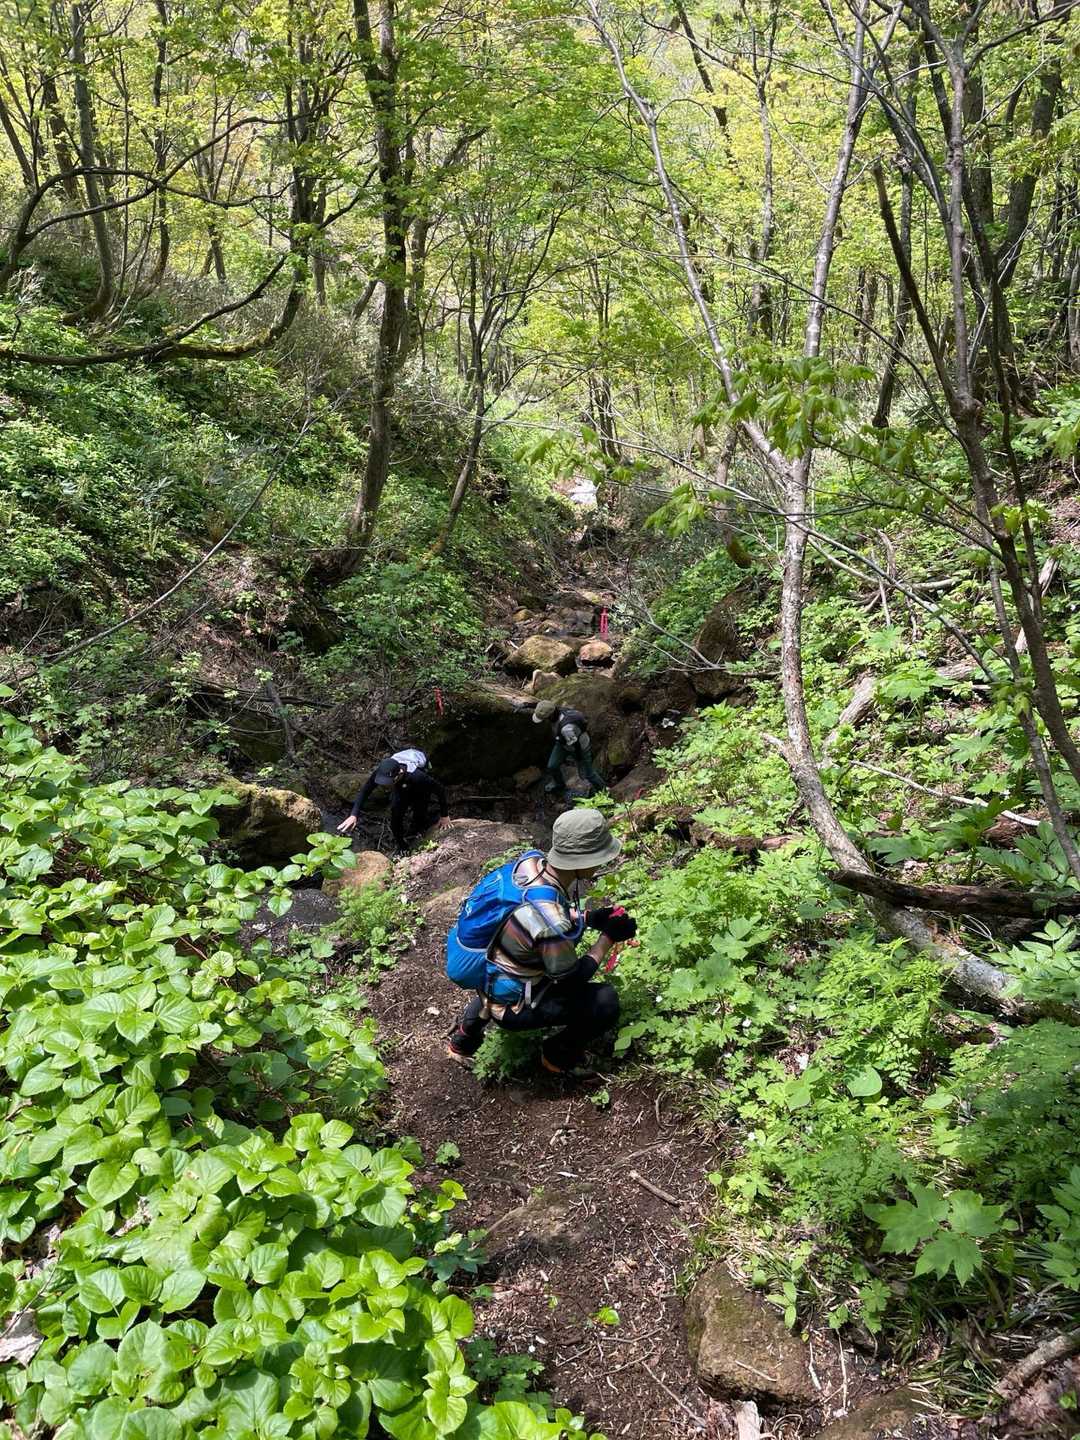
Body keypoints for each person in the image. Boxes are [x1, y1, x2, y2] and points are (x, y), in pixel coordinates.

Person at [446, 808, 636, 1078]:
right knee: (605, 1001)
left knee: (501, 980)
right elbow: (572, 978)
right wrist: (608, 937)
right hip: (512, 1002)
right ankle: (557, 1056)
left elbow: (534, 912)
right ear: (581, 859)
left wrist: (589, 918)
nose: (601, 863)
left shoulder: (531, 863)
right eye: (599, 857)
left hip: (492, 969)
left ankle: (463, 1042)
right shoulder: (550, 920)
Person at [337, 747, 451, 851]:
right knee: (396, 814)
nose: (385, 785)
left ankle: (417, 828)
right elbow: (365, 790)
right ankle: (402, 846)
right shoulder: (383, 770)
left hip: (418, 779)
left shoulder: (417, 776)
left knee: (420, 807)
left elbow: (440, 790)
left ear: (399, 774)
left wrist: (444, 815)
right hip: (401, 783)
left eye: (388, 782)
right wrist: (354, 815)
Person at [532, 698, 605, 797]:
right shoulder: (556, 709)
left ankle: (604, 792)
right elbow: (542, 706)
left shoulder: (566, 729)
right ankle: (559, 784)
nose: (545, 721)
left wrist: (579, 759)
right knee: (552, 766)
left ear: (551, 716)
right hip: (563, 743)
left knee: (588, 774)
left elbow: (576, 745)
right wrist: (527, 705)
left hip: (580, 747)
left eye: (544, 719)